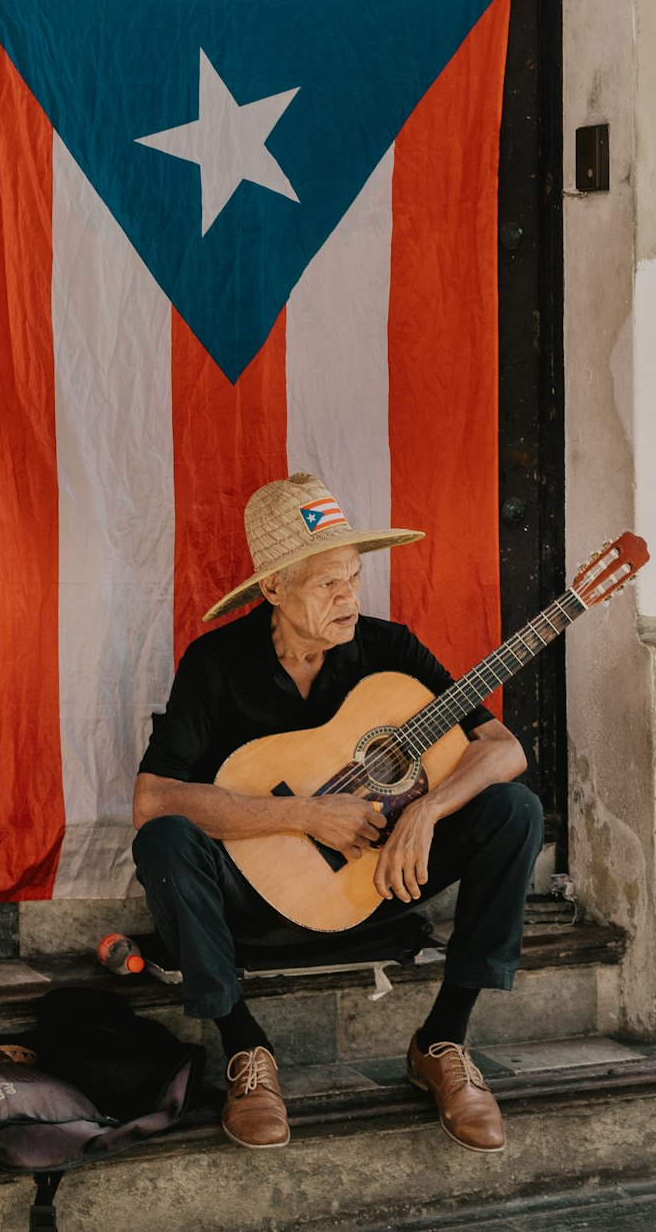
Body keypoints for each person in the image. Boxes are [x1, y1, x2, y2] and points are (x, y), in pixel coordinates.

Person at [132, 473, 543, 1152]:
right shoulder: (215, 663)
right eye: (328, 583)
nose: (350, 596)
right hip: (254, 903)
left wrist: (428, 812)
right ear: (273, 590)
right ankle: (246, 1051)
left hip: (376, 884)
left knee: (514, 810)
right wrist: (303, 816)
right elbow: (153, 799)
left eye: (354, 577)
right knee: (167, 842)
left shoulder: (389, 650)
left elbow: (501, 748)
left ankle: (442, 1041)